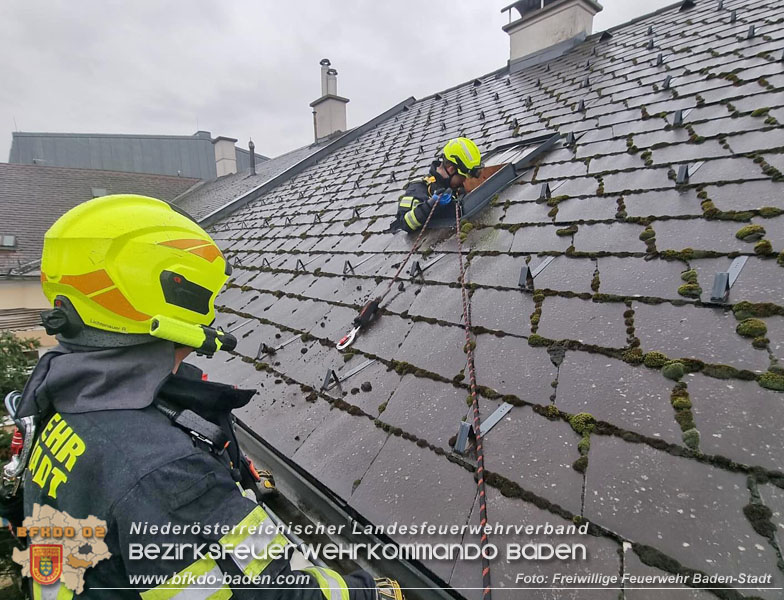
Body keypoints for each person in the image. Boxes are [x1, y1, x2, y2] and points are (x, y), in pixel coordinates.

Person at [9, 195, 401, 599]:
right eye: (204, 299)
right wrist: (370, 593)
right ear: (174, 294)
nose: (210, 315)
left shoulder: (61, 394)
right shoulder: (166, 472)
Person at [391, 137, 482, 233]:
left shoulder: (453, 187)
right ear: (451, 169)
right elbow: (404, 223)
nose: (464, 182)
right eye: (462, 178)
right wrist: (431, 205)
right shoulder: (418, 188)